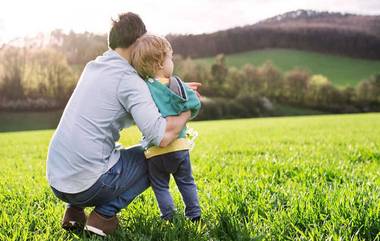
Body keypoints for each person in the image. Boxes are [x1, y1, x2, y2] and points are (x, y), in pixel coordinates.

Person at [46, 12, 200, 236]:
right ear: (139, 42)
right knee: (157, 155)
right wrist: (187, 109)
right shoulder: (128, 80)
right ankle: (103, 216)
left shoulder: (94, 67)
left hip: (57, 179)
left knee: (104, 149)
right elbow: (161, 136)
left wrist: (174, 87)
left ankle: (74, 213)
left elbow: (140, 96)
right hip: (86, 184)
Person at [130, 35, 201, 221]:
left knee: (160, 186)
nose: (172, 62)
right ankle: (194, 215)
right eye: (170, 58)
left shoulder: (143, 88)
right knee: (186, 182)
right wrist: (188, 109)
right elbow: (194, 104)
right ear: (160, 63)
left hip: (154, 152)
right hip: (178, 147)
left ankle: (169, 216)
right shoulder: (177, 84)